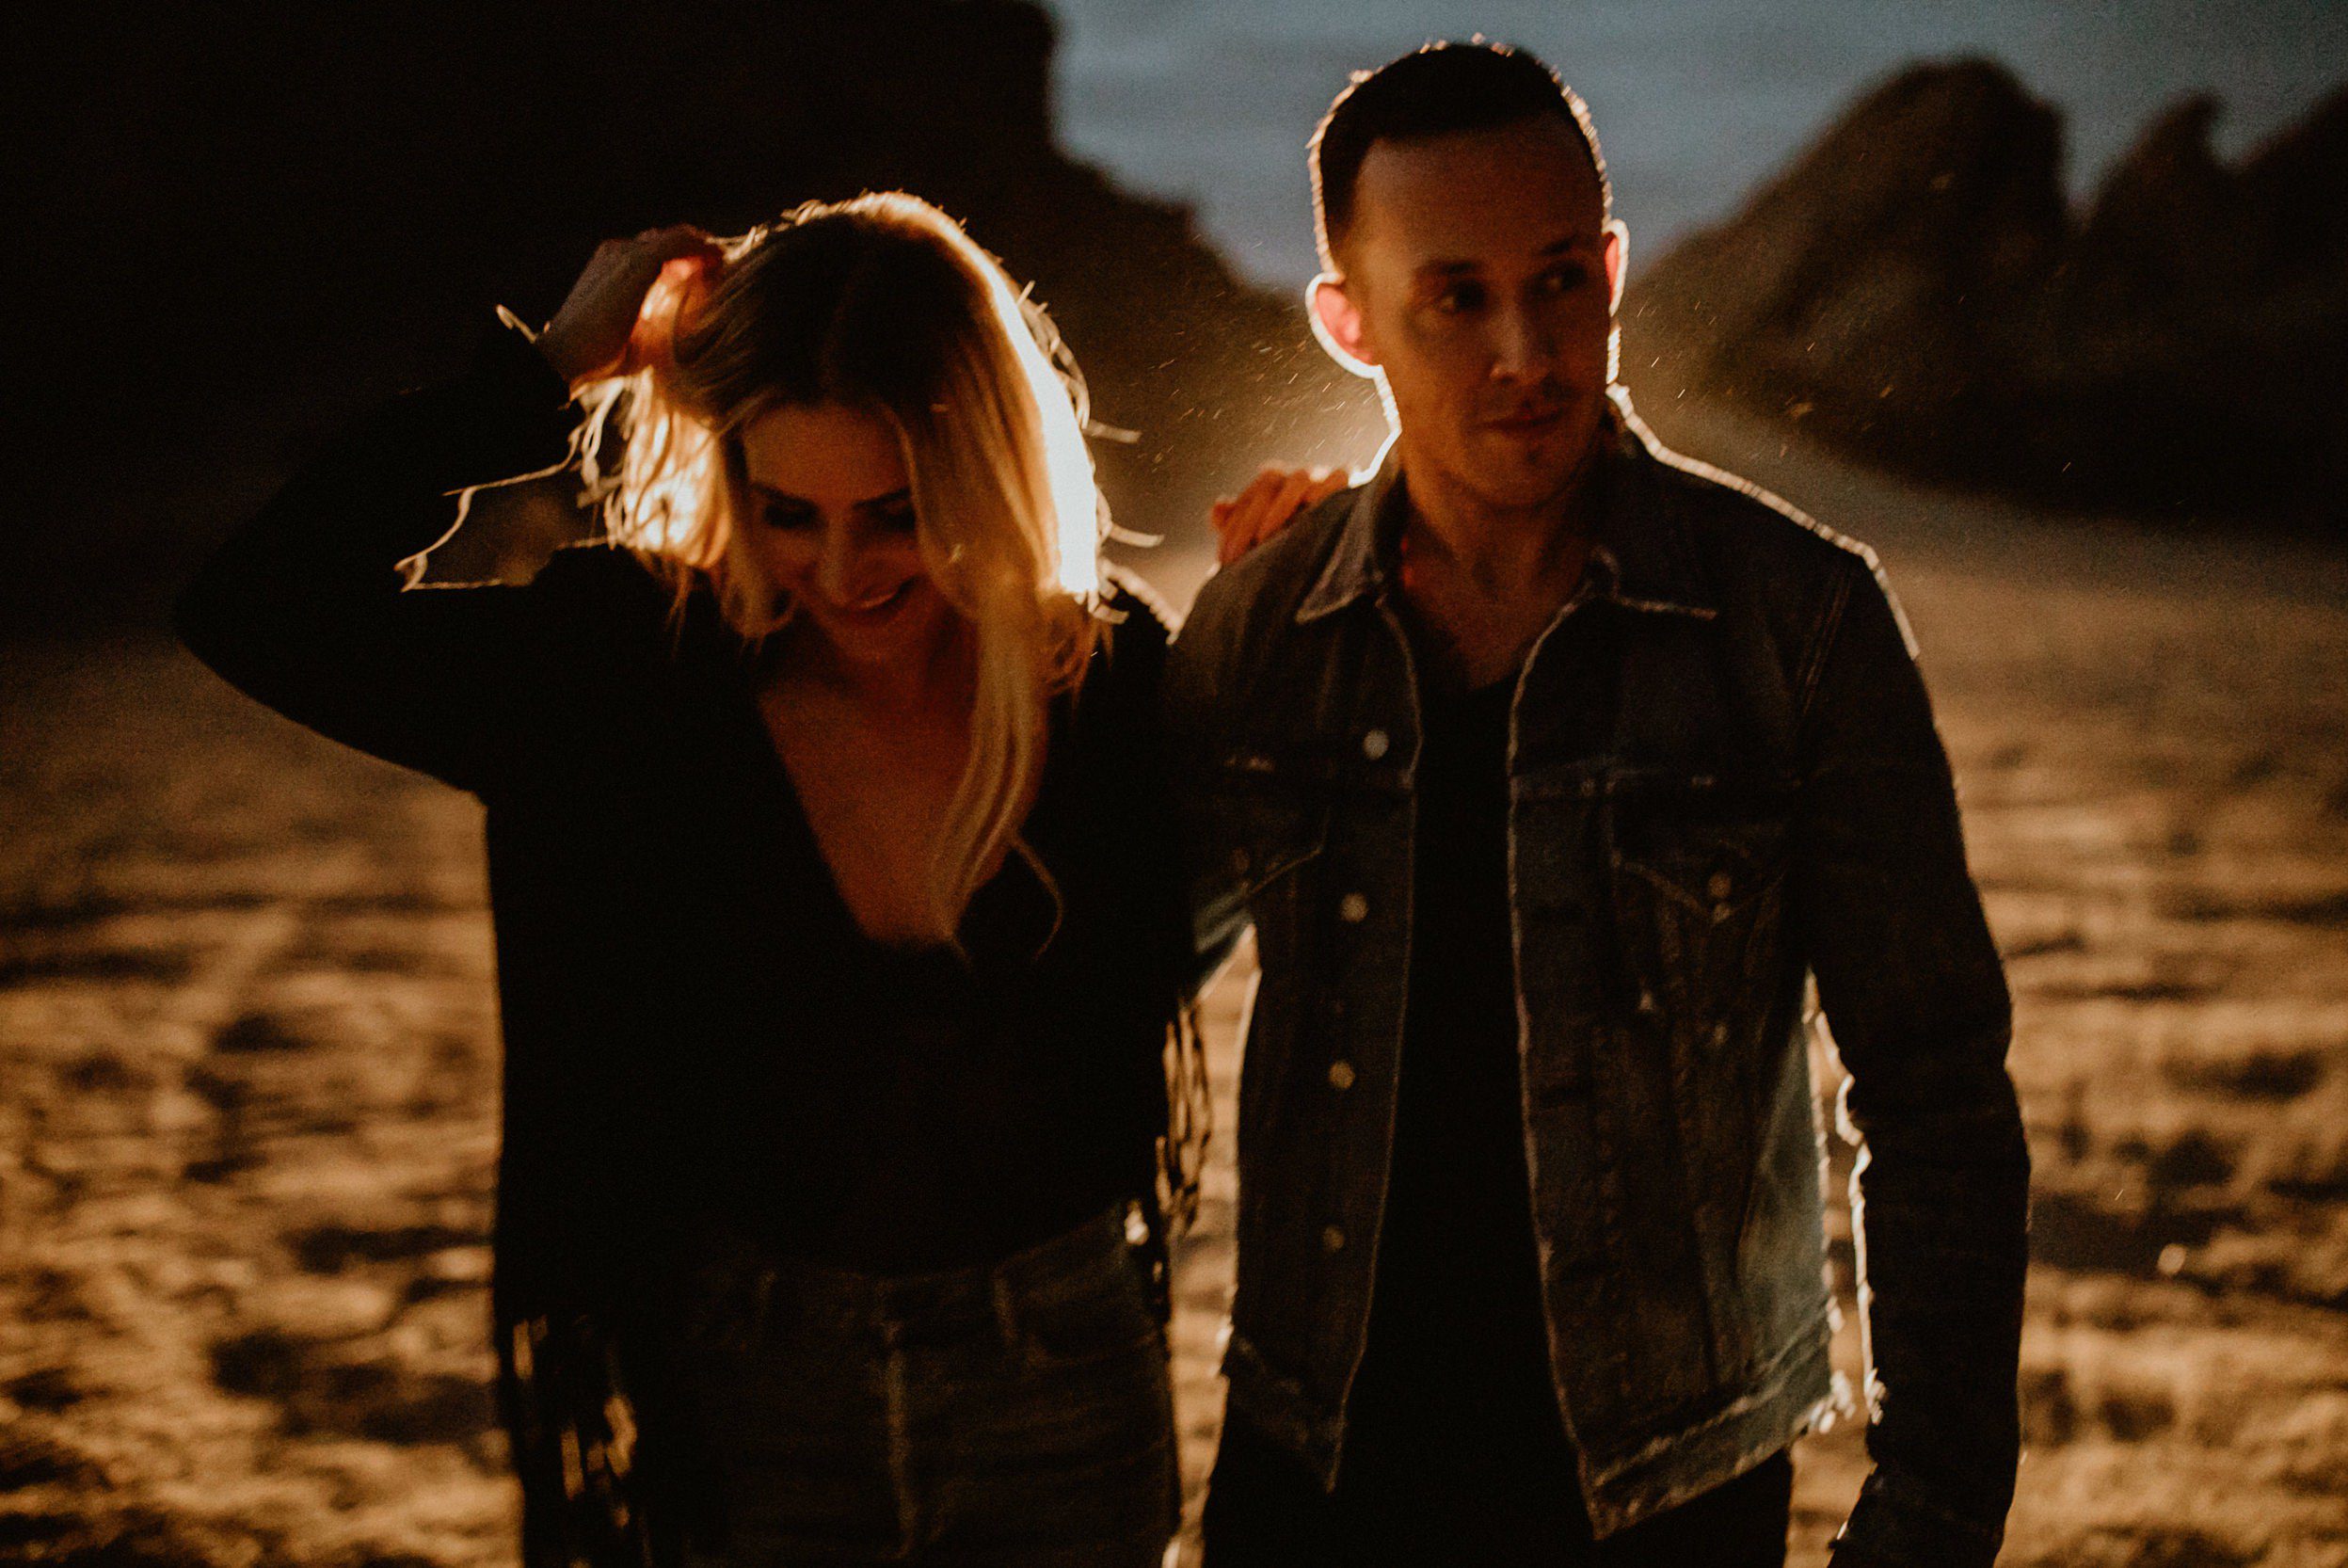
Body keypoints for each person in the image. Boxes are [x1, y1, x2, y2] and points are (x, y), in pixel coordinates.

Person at [177, 192, 1205, 1567]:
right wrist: (537, 378)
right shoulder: (632, 677)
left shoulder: (1107, 684)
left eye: (896, 514)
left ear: (989, 471)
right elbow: (261, 604)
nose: (841, 571)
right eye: (789, 512)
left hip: (1066, 1381)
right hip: (745, 1394)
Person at [1169, 41, 2029, 1568]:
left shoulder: (1799, 622)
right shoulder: (1264, 632)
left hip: (1665, 1495)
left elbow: (1937, 1093)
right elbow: (1088, 992)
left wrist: (1935, 1513)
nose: (1527, 348)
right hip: (1311, 1476)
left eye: (1562, 278)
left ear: (1614, 266)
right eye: (1457, 296)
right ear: (1347, 322)